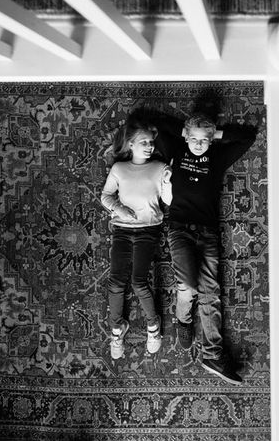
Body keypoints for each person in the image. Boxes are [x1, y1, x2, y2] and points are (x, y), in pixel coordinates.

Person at [155, 112, 256, 385]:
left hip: (208, 232)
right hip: (179, 228)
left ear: (211, 142)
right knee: (188, 286)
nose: (198, 144)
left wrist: (216, 135)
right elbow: (159, 126)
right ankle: (183, 319)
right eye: (194, 139)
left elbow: (249, 137)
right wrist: (187, 132)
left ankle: (213, 354)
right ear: (186, 136)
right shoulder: (176, 147)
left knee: (211, 293)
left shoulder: (216, 157)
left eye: (204, 140)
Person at [101, 120, 172, 359]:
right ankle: (116, 328)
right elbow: (106, 196)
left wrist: (168, 181)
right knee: (116, 282)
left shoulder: (160, 167)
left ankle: (153, 327)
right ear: (130, 144)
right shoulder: (119, 169)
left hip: (147, 230)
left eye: (151, 143)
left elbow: (168, 201)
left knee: (139, 281)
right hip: (122, 229)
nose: (149, 146)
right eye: (144, 142)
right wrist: (120, 210)